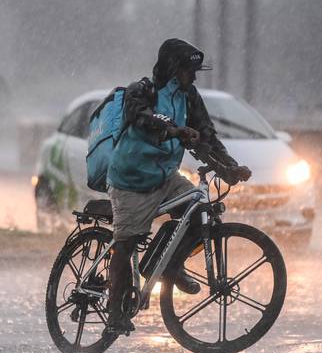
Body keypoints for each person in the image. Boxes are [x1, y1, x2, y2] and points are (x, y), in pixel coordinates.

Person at [104, 38, 251, 335]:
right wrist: (173, 129)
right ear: (173, 69)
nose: (193, 77)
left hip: (164, 178)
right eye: (189, 71)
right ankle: (114, 312)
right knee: (126, 243)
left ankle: (171, 266)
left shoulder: (190, 96)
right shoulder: (142, 90)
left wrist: (230, 167)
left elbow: (207, 135)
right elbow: (142, 118)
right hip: (131, 179)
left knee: (197, 211)